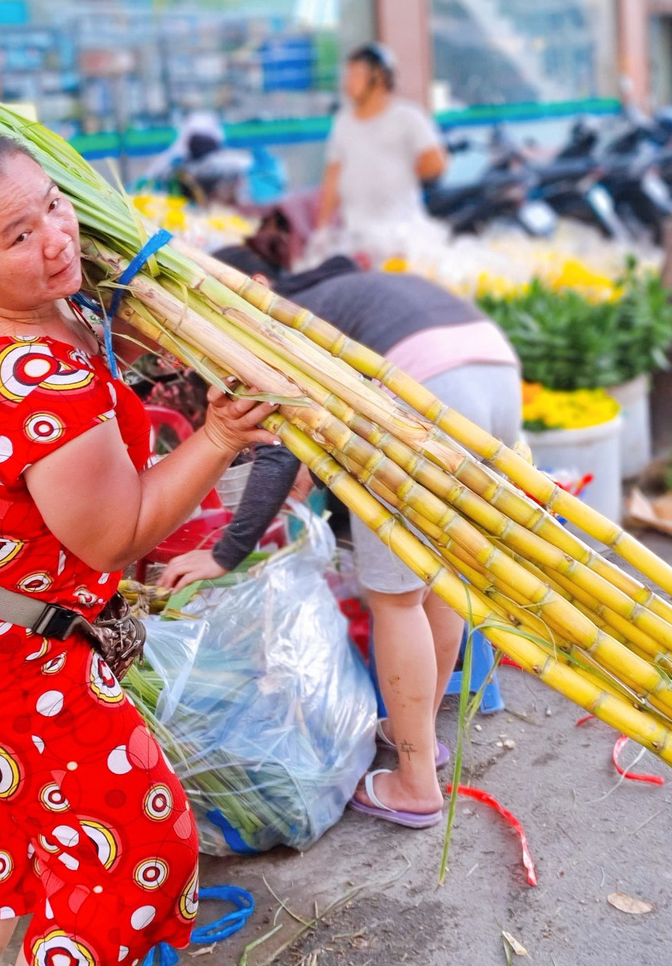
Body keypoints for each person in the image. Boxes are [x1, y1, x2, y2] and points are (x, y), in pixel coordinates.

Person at [0, 132, 276, 966]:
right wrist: (219, 436)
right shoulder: (35, 381)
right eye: (18, 234)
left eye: (54, 204)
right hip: (20, 668)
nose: (57, 237)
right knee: (129, 856)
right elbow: (118, 533)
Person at [161, 247, 521, 831]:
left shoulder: (266, 326)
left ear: (246, 286)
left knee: (395, 597)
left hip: (423, 394)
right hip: (492, 375)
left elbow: (278, 456)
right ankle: (420, 740)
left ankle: (415, 787)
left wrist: (224, 554)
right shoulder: (328, 298)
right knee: (439, 578)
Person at [314, 42, 446, 251]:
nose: (348, 82)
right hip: (357, 236)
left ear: (380, 77)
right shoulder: (343, 122)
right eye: (348, 75)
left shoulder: (407, 116)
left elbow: (436, 162)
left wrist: (395, 175)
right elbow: (332, 178)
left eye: (357, 75)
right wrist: (321, 230)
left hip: (402, 234)